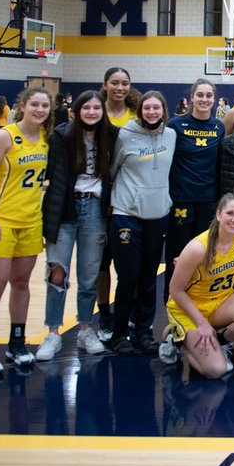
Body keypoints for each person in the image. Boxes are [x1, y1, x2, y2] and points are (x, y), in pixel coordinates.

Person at [0, 87, 52, 374]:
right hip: (0, 222)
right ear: (22, 106)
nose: (40, 109)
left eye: (45, 105)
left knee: (21, 285)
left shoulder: (46, 139)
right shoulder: (3, 136)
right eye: (35, 104)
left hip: (31, 222)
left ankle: (17, 343)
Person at [35, 90, 116, 361]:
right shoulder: (61, 135)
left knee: (89, 276)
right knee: (57, 274)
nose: (92, 112)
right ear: (77, 110)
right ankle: (53, 333)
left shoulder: (111, 135)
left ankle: (84, 328)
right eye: (87, 108)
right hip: (65, 210)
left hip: (95, 210)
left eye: (96, 108)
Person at [160, 194, 234, 378]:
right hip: (189, 309)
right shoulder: (198, 248)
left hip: (221, 301)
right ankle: (176, 341)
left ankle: (221, 342)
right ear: (218, 215)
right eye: (230, 213)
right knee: (216, 370)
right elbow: (175, 291)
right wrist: (201, 323)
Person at [108, 90, 177, 355]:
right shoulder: (124, 135)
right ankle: (119, 332)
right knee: (128, 277)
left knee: (149, 277)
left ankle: (143, 331)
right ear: (140, 111)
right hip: (127, 213)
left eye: (156, 108)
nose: (151, 112)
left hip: (158, 215)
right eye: (147, 108)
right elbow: (111, 170)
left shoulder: (170, 135)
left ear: (163, 110)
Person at [166, 79, 225, 288]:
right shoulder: (175, 125)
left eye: (209, 95)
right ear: (192, 97)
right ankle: (172, 303)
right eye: (200, 95)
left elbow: (220, 164)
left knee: (204, 254)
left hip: (208, 201)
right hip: (181, 199)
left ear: (214, 99)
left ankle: (200, 302)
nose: (204, 99)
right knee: (178, 254)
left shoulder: (219, 127)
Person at [95, 66, 137, 340]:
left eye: (124, 83)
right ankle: (104, 315)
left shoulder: (137, 113)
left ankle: (127, 312)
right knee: (100, 263)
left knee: (129, 263)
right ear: (105, 84)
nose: (120, 88)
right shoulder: (94, 111)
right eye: (115, 83)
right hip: (100, 193)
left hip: (130, 196)